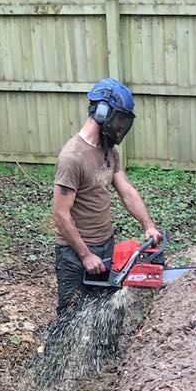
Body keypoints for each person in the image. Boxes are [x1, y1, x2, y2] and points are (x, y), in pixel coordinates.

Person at [49, 78, 161, 328]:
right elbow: (60, 214)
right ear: (103, 113)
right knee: (71, 316)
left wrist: (148, 225)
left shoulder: (109, 151)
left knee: (106, 315)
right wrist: (85, 254)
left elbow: (126, 191)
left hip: (105, 246)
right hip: (74, 254)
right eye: (119, 120)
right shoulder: (72, 158)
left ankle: (105, 365)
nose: (120, 128)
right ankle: (57, 362)